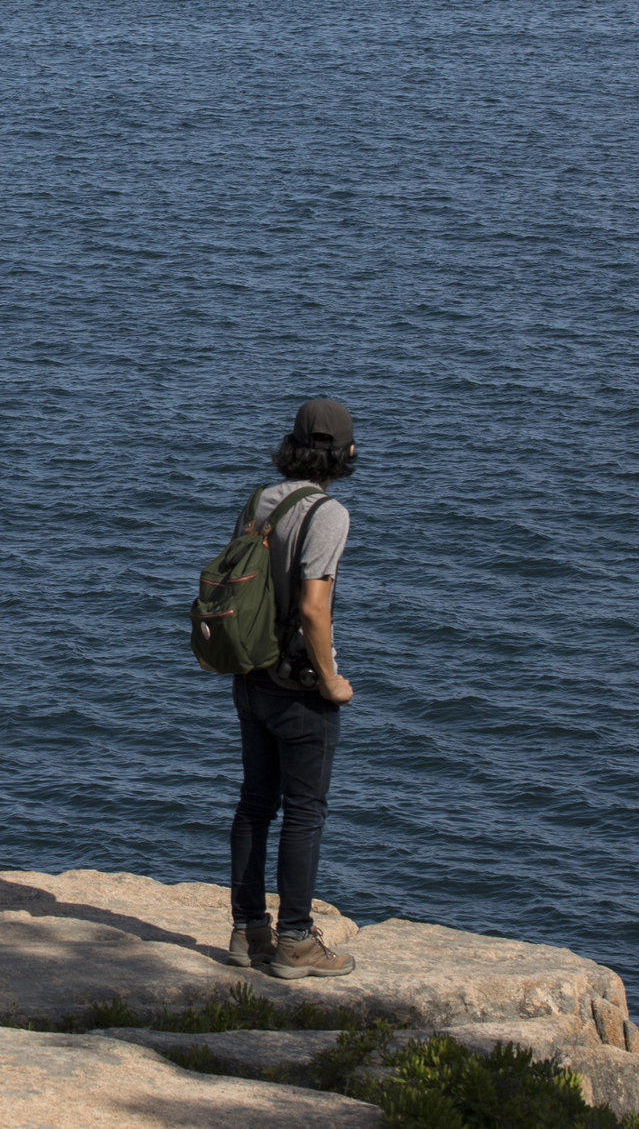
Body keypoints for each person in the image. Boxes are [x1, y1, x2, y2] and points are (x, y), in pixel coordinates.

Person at [226, 397, 358, 980]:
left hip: (249, 675)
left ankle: (248, 931)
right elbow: (313, 607)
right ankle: (296, 942)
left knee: (256, 802)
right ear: (343, 451)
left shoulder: (260, 501)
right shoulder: (327, 514)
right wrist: (332, 682)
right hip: (297, 687)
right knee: (305, 812)